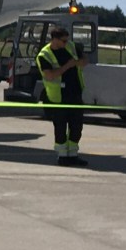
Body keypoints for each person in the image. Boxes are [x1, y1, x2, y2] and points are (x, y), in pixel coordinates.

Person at [36, 23, 87, 164]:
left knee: (77, 126)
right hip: (57, 97)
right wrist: (67, 66)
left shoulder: (71, 46)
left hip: (75, 93)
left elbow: (84, 61)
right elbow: (50, 76)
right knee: (60, 127)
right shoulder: (44, 55)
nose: (66, 43)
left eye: (67, 40)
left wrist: (78, 62)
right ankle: (63, 156)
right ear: (54, 39)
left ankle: (73, 155)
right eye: (63, 41)